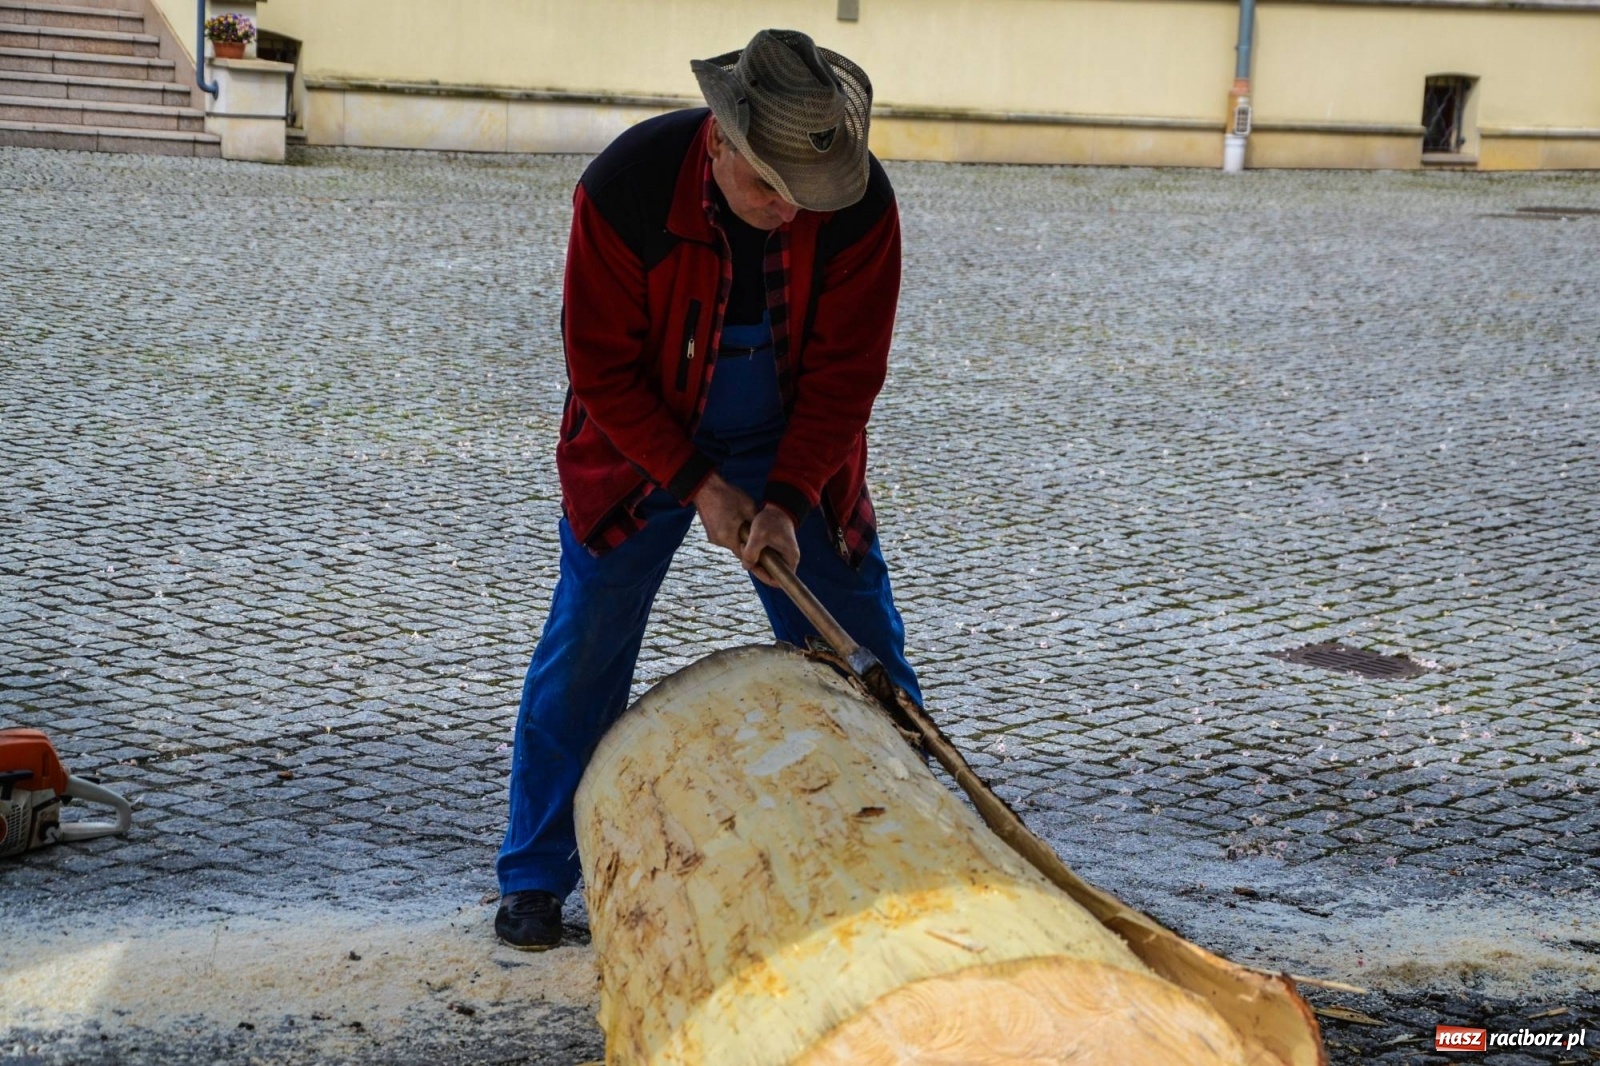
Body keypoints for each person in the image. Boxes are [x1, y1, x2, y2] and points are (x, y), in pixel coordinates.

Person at [494, 28, 923, 950]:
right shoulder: (627, 187)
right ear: (719, 143)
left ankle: (922, 839)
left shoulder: (853, 202)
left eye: (803, 193)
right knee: (586, 643)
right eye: (768, 187)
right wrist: (696, 483)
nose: (786, 209)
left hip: (794, 428)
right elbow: (600, 367)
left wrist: (790, 495)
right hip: (640, 432)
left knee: (855, 637)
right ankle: (533, 871)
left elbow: (848, 374)